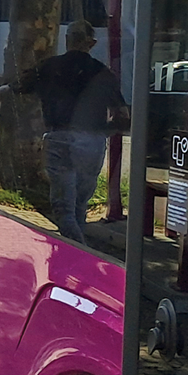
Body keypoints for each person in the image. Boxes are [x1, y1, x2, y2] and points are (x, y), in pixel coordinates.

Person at [15, 20, 128, 243]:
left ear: (67, 39)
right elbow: (123, 114)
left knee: (63, 208)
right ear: (91, 43)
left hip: (59, 138)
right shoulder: (102, 73)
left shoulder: (49, 66)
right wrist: (106, 132)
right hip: (92, 142)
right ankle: (77, 251)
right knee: (80, 204)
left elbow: (19, 85)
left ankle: (81, 253)